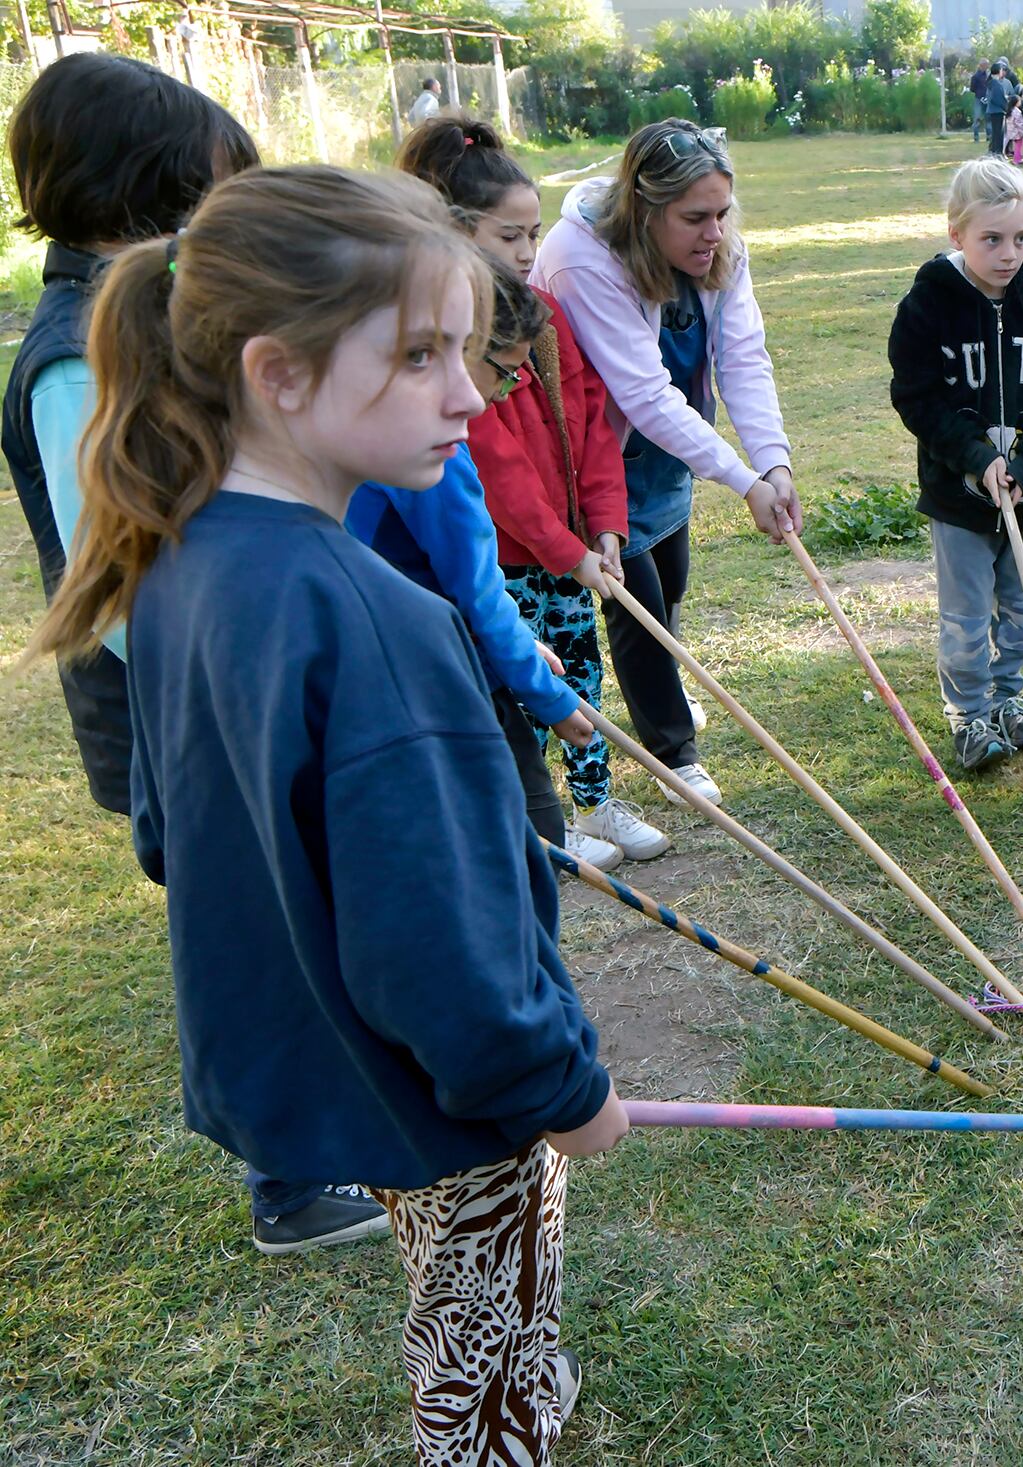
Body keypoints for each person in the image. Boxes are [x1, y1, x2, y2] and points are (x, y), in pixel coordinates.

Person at [27, 164, 630, 1459]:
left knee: (460, 1286)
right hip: (447, 1094)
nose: (470, 391)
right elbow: (440, 957)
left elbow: (165, 829)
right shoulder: (377, 620)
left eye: (465, 350)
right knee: (482, 1328)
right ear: (279, 374)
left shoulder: (179, 558)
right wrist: (561, 1086)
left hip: (331, 1060)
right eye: (421, 354)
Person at [398, 116, 670, 868]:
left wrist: (606, 529)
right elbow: (497, 474)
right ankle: (541, 819)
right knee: (521, 690)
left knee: (580, 676)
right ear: (452, 233)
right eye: (509, 237)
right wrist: (566, 549)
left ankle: (593, 807)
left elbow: (591, 427)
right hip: (509, 560)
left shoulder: (543, 322)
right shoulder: (454, 352)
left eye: (534, 235)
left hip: (573, 551)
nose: (526, 253)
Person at [2, 55, 257, 818]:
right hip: (190, 722)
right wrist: (253, 670)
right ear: (140, 190)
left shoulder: (151, 310)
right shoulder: (76, 361)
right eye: (211, 193)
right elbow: (117, 593)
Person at [532, 119, 803, 809]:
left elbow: (742, 359)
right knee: (636, 596)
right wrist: (741, 481)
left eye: (721, 213)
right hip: (588, 447)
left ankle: (669, 686)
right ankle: (674, 752)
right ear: (646, 212)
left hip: (665, 442)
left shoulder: (719, 250)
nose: (713, 232)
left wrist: (772, 466)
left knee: (672, 574)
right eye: (694, 218)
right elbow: (640, 391)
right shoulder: (580, 254)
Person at [341, 264, 606, 859]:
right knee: (529, 826)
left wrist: (514, 642)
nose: (502, 391)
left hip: (397, 666)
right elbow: (476, 593)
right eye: (505, 371)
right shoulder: (435, 454)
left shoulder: (358, 414)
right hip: (441, 676)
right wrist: (552, 699)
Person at [888, 157, 1023, 773]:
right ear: (957, 235)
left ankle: (1008, 702)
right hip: (959, 500)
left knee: (1022, 609)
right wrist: (977, 461)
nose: (1009, 254)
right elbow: (917, 397)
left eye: (1020, 238)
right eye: (992, 239)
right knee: (967, 617)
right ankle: (969, 715)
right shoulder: (927, 306)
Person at [985, 62, 1011, 156]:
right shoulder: (996, 83)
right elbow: (997, 99)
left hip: (994, 111)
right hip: (997, 112)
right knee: (998, 135)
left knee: (996, 134)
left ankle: (995, 152)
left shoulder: (992, 82)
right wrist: (1006, 106)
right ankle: (997, 153)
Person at [968, 59, 989, 143]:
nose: (987, 67)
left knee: (988, 118)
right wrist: (979, 93)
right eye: (986, 65)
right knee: (977, 118)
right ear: (981, 65)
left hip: (987, 98)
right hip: (978, 98)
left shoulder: (988, 75)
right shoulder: (975, 76)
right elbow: (972, 88)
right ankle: (976, 138)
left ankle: (989, 137)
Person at [1006, 97, 1023, 164]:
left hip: (1011, 131)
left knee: (1016, 145)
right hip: (1017, 132)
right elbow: (1019, 123)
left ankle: (1017, 159)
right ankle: (1017, 159)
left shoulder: (1009, 111)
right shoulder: (1017, 112)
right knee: (1019, 146)